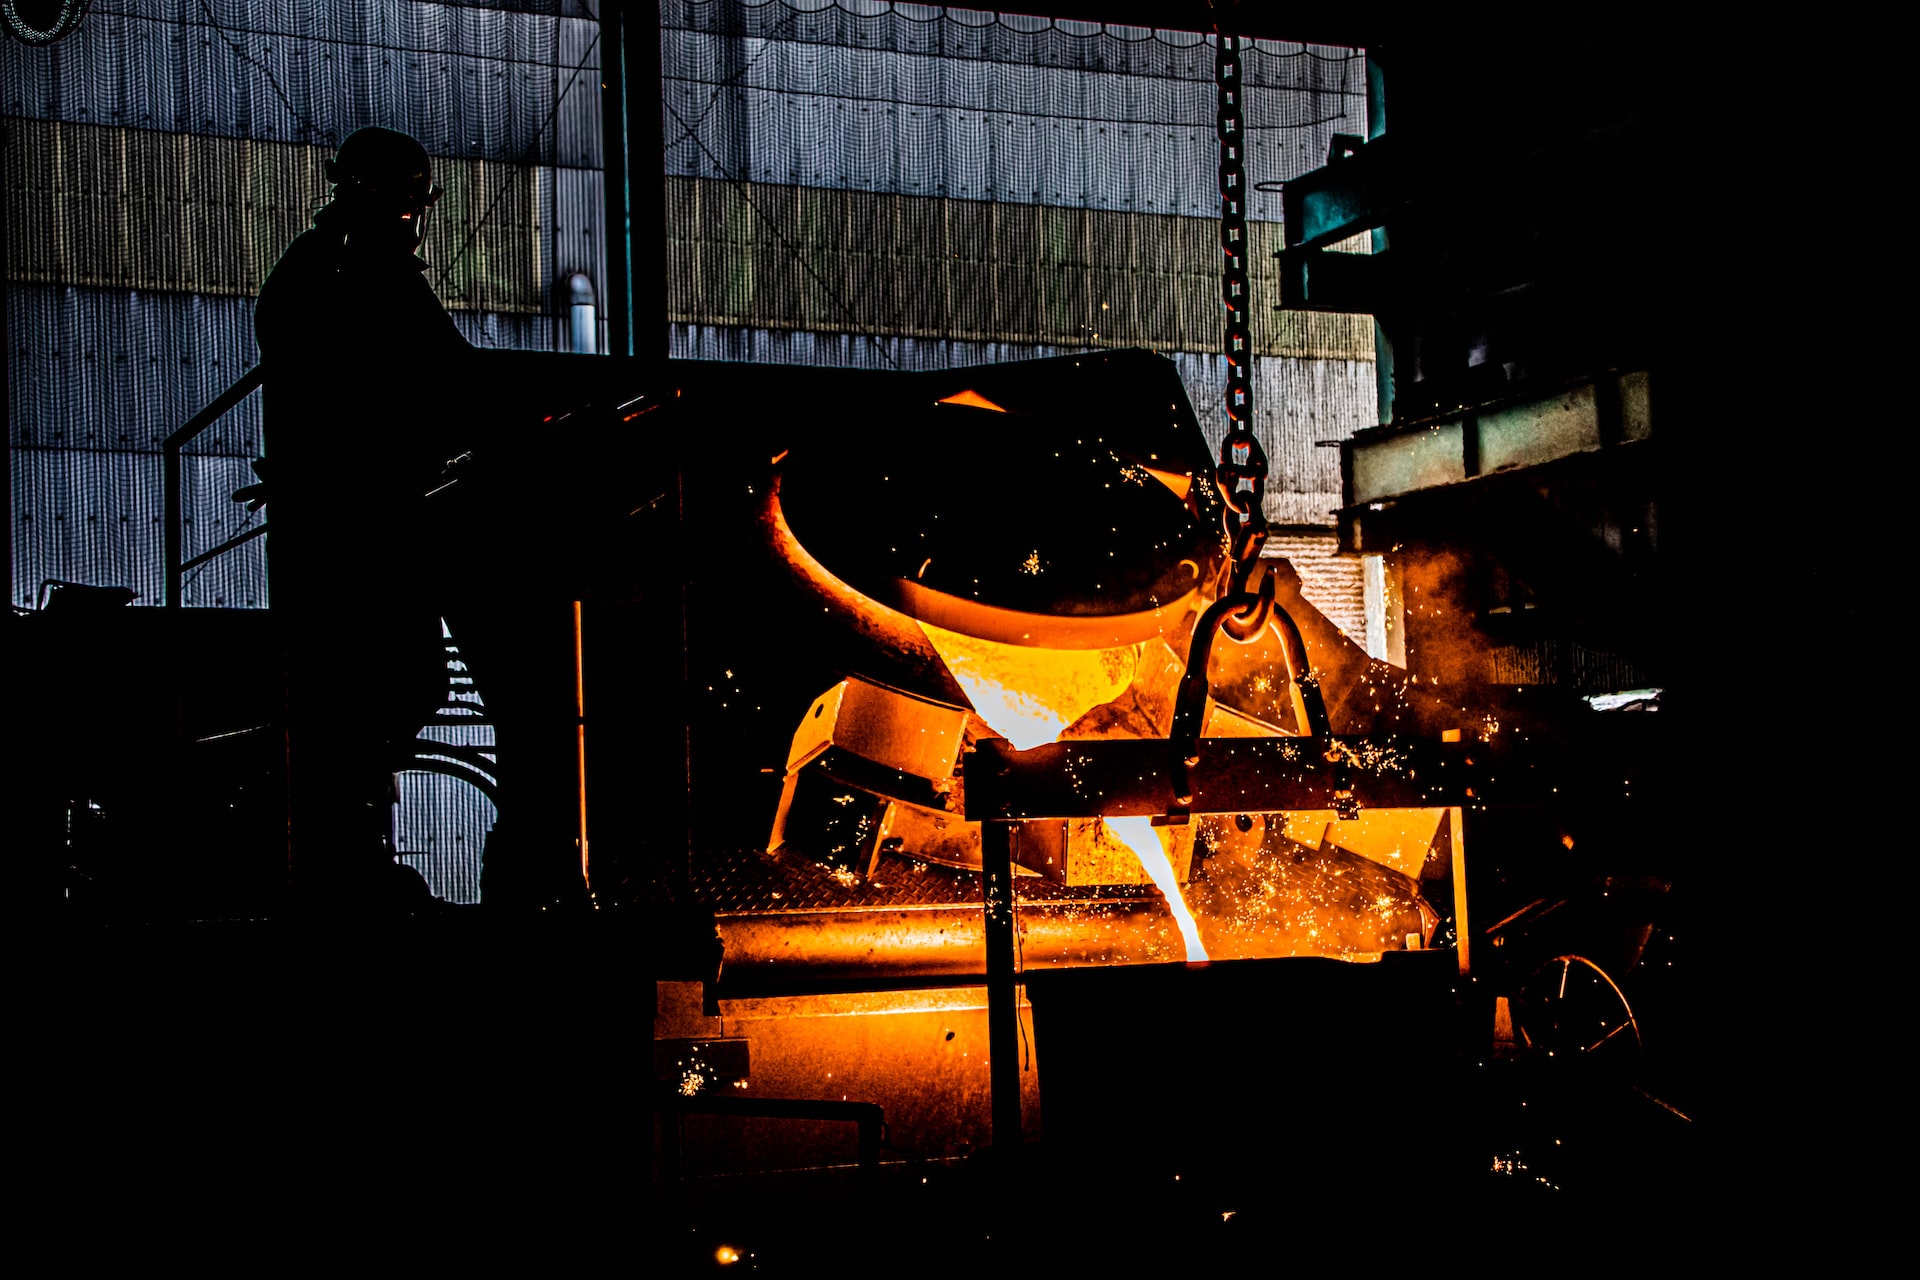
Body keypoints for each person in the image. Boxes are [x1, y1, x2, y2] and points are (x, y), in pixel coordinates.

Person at [254, 126, 585, 913]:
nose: (409, 217)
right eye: (403, 202)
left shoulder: (328, 269)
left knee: (392, 687)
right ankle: (366, 862)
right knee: (399, 685)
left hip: (361, 516)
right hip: (369, 520)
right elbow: (437, 375)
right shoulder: (352, 274)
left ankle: (356, 859)